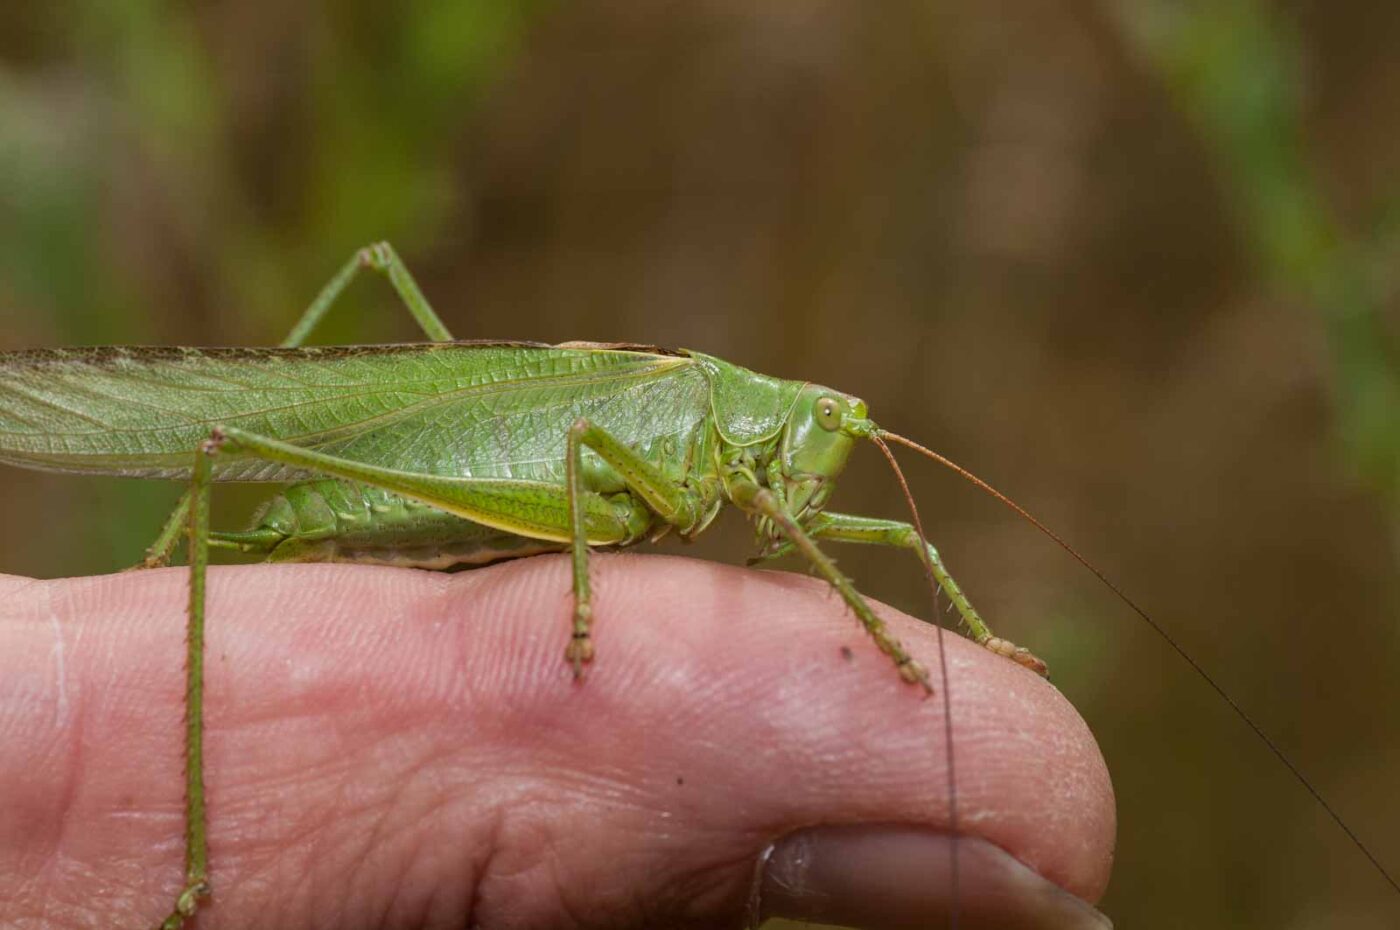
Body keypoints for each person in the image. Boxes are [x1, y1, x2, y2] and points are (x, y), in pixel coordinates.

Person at [0, 554, 1113, 929]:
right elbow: (579, 437)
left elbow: (887, 530)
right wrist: (580, 607)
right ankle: (194, 864)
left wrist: (972, 639)